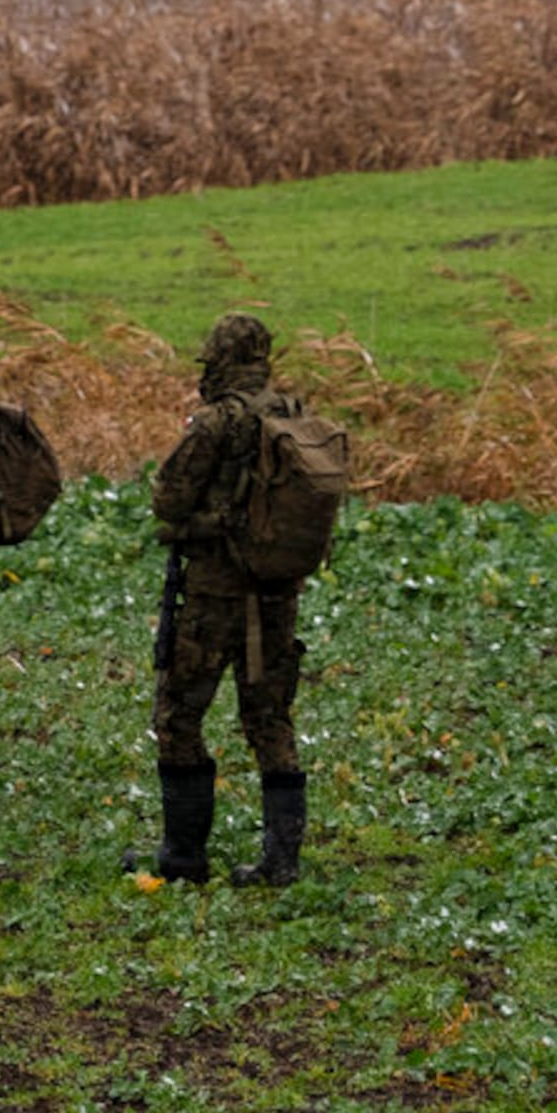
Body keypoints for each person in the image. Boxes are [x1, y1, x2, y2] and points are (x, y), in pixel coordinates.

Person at [136, 314, 315, 887]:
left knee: (178, 714)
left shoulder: (216, 422)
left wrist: (197, 521)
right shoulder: (290, 415)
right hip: (276, 594)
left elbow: (168, 498)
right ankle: (280, 861)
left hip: (214, 594)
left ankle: (184, 855)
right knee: (269, 719)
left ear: (216, 359)